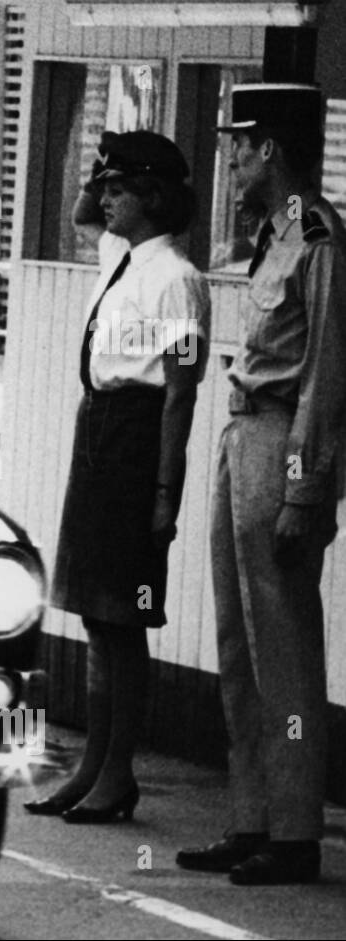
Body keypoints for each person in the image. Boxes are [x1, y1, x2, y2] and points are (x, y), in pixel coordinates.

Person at [178, 84, 346, 885]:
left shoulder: (319, 240)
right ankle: (251, 817)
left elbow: (326, 378)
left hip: (281, 439)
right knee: (239, 647)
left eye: (239, 144)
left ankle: (294, 830)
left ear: (271, 148)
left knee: (284, 650)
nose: (231, 158)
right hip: (242, 430)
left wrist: (304, 489)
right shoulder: (272, 235)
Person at [25, 131, 210, 823]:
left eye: (120, 186)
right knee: (96, 619)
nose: (105, 196)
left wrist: (166, 495)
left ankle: (119, 772)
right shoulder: (120, 256)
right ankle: (92, 765)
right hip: (97, 429)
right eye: (106, 183)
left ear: (154, 198)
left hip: (137, 439)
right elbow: (81, 215)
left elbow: (180, 394)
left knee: (123, 618)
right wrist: (102, 160)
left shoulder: (177, 280)